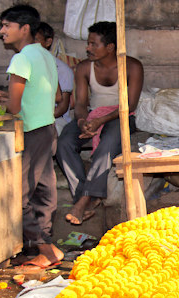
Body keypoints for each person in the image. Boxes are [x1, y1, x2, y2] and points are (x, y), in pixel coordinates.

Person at [0, 4, 63, 268]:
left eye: (7, 26)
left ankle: (46, 249)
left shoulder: (20, 59)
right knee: (44, 190)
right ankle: (44, 247)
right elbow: (54, 96)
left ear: (25, 28)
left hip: (31, 132)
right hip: (47, 129)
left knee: (17, 195)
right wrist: (8, 96)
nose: (2, 31)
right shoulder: (45, 55)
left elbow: (15, 108)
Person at [56, 21, 144, 225]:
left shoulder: (132, 66)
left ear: (110, 47)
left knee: (108, 144)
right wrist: (82, 121)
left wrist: (101, 121)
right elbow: (79, 104)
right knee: (64, 144)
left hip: (121, 116)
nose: (88, 48)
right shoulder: (84, 68)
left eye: (93, 44)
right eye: (88, 44)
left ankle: (83, 200)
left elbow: (130, 104)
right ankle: (86, 197)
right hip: (91, 115)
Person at [35, 22, 74, 135]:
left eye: (36, 40)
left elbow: (61, 108)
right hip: (31, 118)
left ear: (48, 42)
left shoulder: (62, 70)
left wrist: (35, 117)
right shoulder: (25, 65)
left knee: (42, 134)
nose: (32, 45)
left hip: (56, 119)